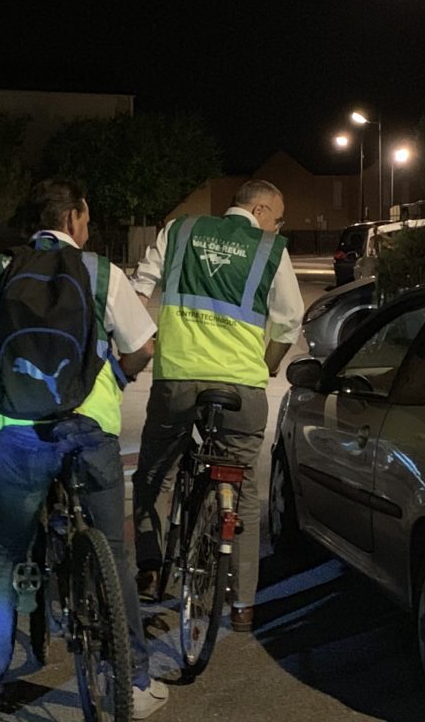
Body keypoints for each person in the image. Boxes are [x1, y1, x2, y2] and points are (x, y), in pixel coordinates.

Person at [0, 179, 168, 722]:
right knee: (113, 553)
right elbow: (144, 349)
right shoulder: (102, 273)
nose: (87, 228)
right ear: (72, 218)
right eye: (86, 219)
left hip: (21, 433)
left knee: (3, 558)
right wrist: (111, 374)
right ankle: (135, 684)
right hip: (90, 430)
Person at [130, 178, 304, 633]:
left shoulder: (179, 230)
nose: (277, 226)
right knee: (244, 495)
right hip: (241, 389)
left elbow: (139, 288)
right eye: (278, 218)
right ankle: (243, 604)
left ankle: (150, 566)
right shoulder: (270, 249)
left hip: (178, 380)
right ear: (262, 210)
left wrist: (135, 346)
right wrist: (267, 364)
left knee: (154, 475)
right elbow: (289, 321)